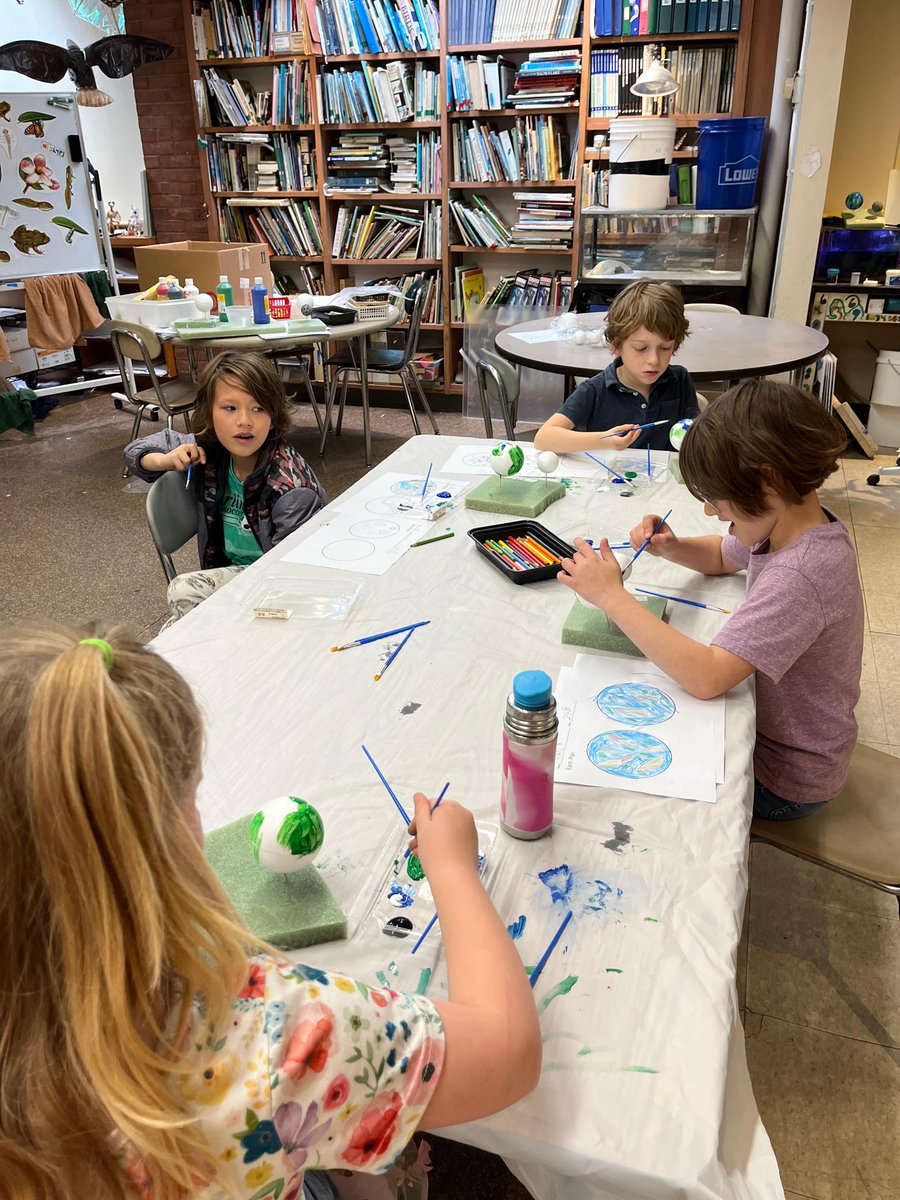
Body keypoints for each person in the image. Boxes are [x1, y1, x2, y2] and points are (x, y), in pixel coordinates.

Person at [0, 623, 542, 1200]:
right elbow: (509, 1052)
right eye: (193, 794)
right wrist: (453, 869)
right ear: (162, 840)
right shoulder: (276, 1035)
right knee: (372, 1155)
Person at [557, 380, 863, 821]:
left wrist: (610, 596)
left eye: (718, 500)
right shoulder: (791, 525)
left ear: (767, 480)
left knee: (631, 802)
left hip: (785, 776)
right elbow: (723, 555)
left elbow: (707, 677)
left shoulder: (802, 572)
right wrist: (672, 546)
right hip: (783, 742)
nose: (712, 514)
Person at [124, 351, 326, 627]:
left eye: (258, 408)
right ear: (209, 411)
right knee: (173, 631)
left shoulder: (291, 489)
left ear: (274, 414)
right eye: (230, 408)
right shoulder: (212, 448)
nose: (244, 421)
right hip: (231, 575)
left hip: (276, 586)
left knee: (182, 595)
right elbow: (135, 452)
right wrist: (167, 460)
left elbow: (290, 578)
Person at [533, 280, 698, 455]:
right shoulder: (595, 390)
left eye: (665, 348)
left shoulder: (679, 379)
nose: (654, 360)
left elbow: (697, 433)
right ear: (616, 345)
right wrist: (606, 440)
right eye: (641, 348)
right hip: (609, 478)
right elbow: (544, 438)